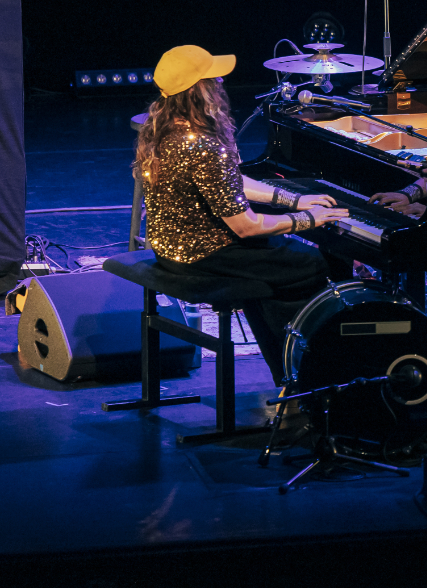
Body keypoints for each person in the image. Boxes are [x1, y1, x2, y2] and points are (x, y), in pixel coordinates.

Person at [134, 44, 351, 384]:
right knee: (310, 264)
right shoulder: (204, 145)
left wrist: (293, 200)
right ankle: (306, 376)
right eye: (214, 79)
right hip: (204, 254)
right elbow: (246, 227)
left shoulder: (162, 128)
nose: (221, 83)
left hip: (170, 249)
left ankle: (291, 373)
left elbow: (229, 182)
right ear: (200, 89)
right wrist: (308, 220)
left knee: (277, 263)